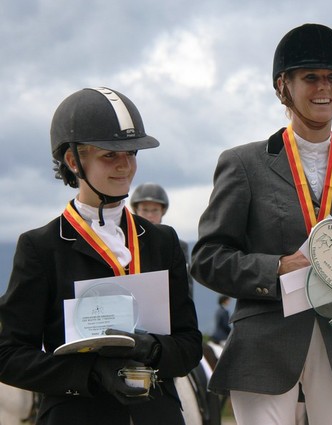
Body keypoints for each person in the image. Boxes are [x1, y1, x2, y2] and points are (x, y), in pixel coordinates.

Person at [191, 23, 332, 425]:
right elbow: (207, 258)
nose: (324, 87)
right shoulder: (244, 164)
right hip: (266, 340)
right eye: (311, 77)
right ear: (282, 86)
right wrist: (275, 268)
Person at [0, 87, 202, 425]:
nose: (125, 166)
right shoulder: (41, 247)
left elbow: (189, 345)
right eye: (110, 155)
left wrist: (151, 349)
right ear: (73, 161)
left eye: (132, 153)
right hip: (77, 414)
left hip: (157, 414)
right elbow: (9, 355)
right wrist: (90, 376)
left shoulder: (162, 240)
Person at [130, 182, 193, 295]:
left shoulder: (178, 246)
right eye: (145, 210)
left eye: (155, 210)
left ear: (162, 211)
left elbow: (185, 287)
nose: (149, 215)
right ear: (136, 211)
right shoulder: (126, 244)